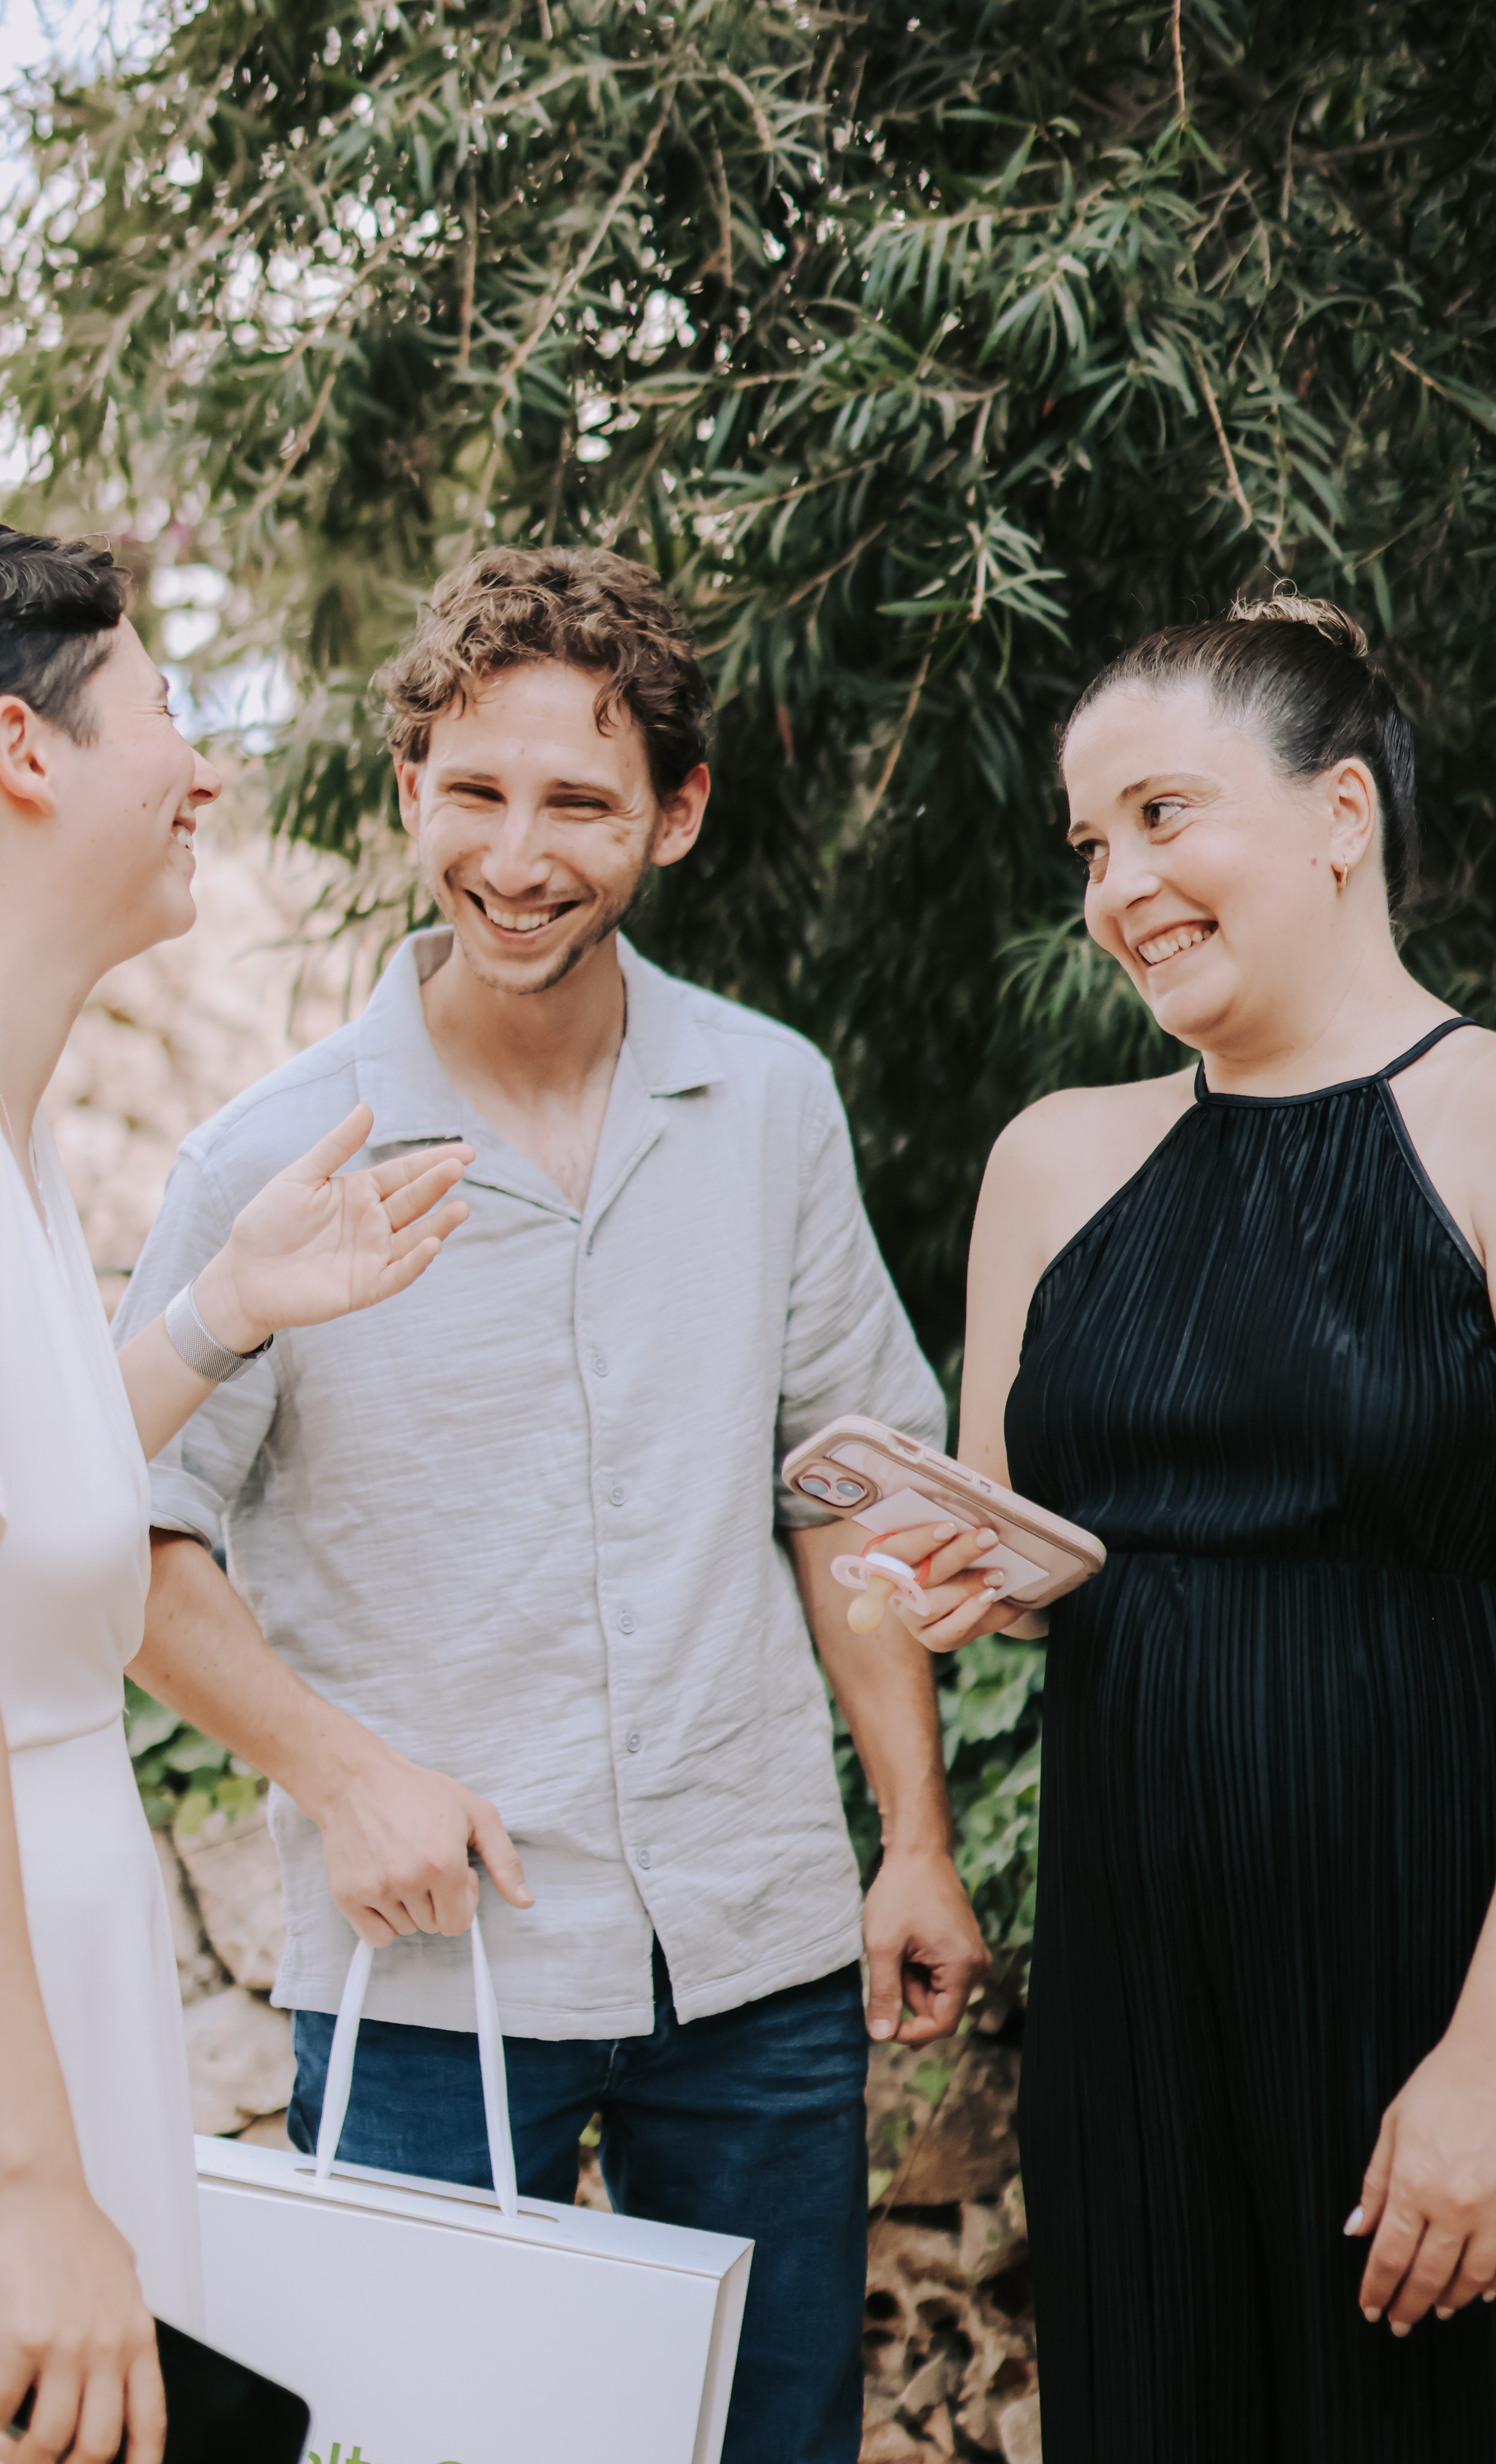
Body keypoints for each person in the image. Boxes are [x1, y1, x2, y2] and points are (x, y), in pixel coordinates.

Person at [116, 545, 989, 2464]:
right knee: (418, 2445)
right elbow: (131, 1542)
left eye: (582, 801)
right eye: (478, 792)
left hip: (754, 1957)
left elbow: (845, 1499)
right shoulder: (269, 1161)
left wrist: (913, 1830)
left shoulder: (770, 1104)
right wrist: (341, 1776)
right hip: (434, 1976)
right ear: (409, 787)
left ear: (674, 815)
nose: (520, 854)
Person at [869, 597, 1496, 2458]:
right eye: (1088, 843)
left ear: (1341, 815)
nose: (1118, 882)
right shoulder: (1051, 1159)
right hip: (1145, 2006)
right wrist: (972, 1578)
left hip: (1448, 1978)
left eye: (1162, 813)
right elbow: (1046, 1555)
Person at [0, 527, 472, 2464]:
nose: (207, 773)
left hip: (63, 1947)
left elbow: (27, 1529)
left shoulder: (18, 1146)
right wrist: (30, 2177)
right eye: (172, 712)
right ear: (23, 750)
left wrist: (213, 1314)